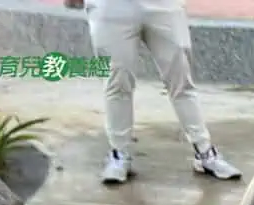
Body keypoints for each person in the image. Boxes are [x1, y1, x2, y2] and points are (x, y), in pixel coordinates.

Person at [81, 0, 241, 185]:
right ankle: (119, 153)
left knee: (180, 78)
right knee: (117, 80)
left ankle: (205, 152)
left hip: (164, 5)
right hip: (111, 7)